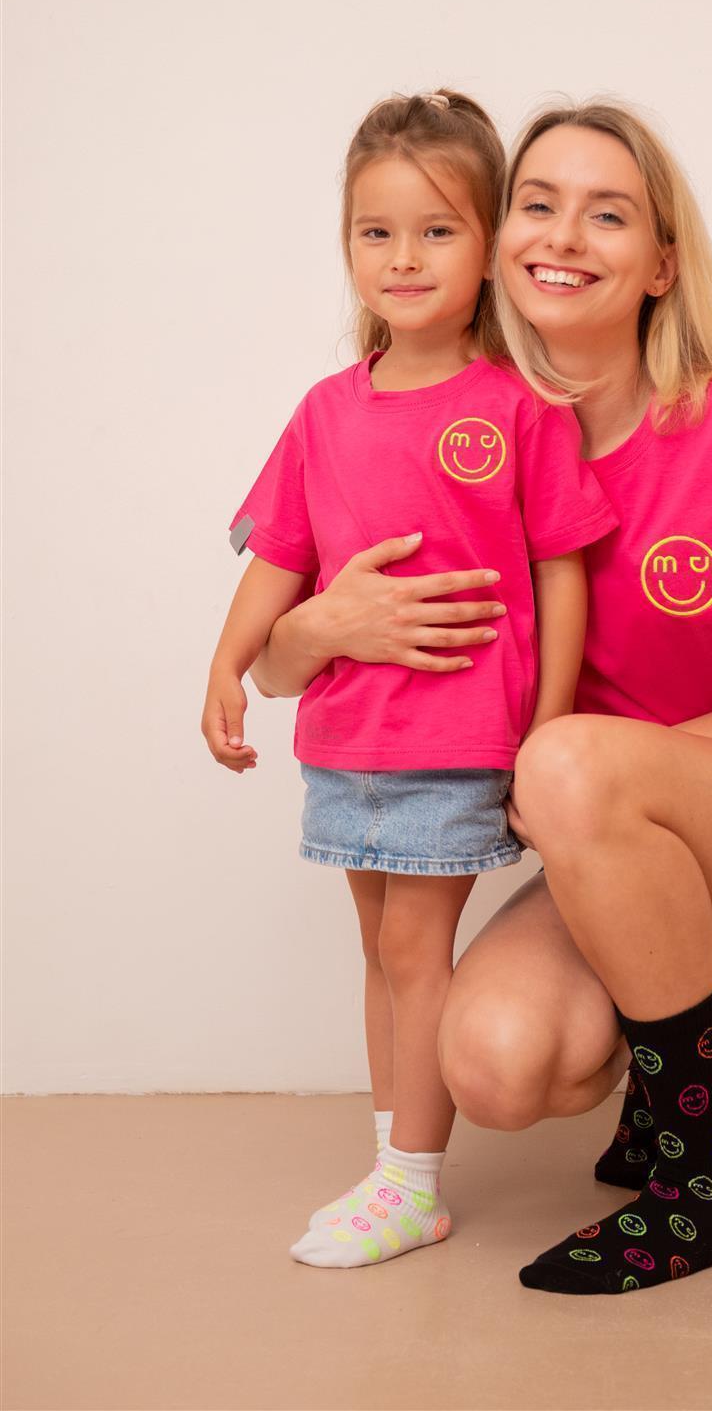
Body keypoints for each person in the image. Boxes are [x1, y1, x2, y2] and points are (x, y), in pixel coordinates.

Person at [254, 99, 712, 1296]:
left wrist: (627, 763)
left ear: (662, 263)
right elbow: (273, 662)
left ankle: (696, 1186)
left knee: (564, 757)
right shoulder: (463, 431)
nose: (564, 234)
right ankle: (655, 1090)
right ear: (497, 240)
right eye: (537, 204)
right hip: (607, 827)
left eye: (608, 213)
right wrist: (313, 626)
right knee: (497, 1064)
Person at [201, 91, 617, 1271]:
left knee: (413, 956)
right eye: (376, 232)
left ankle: (413, 1183)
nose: (404, 257)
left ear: (489, 245)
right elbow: (281, 557)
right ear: (347, 246)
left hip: (452, 739)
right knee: (380, 951)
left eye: (437, 230)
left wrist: (545, 732)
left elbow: (563, 574)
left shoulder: (519, 406)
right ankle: (395, 1160)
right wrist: (227, 665)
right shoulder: (325, 412)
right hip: (344, 740)